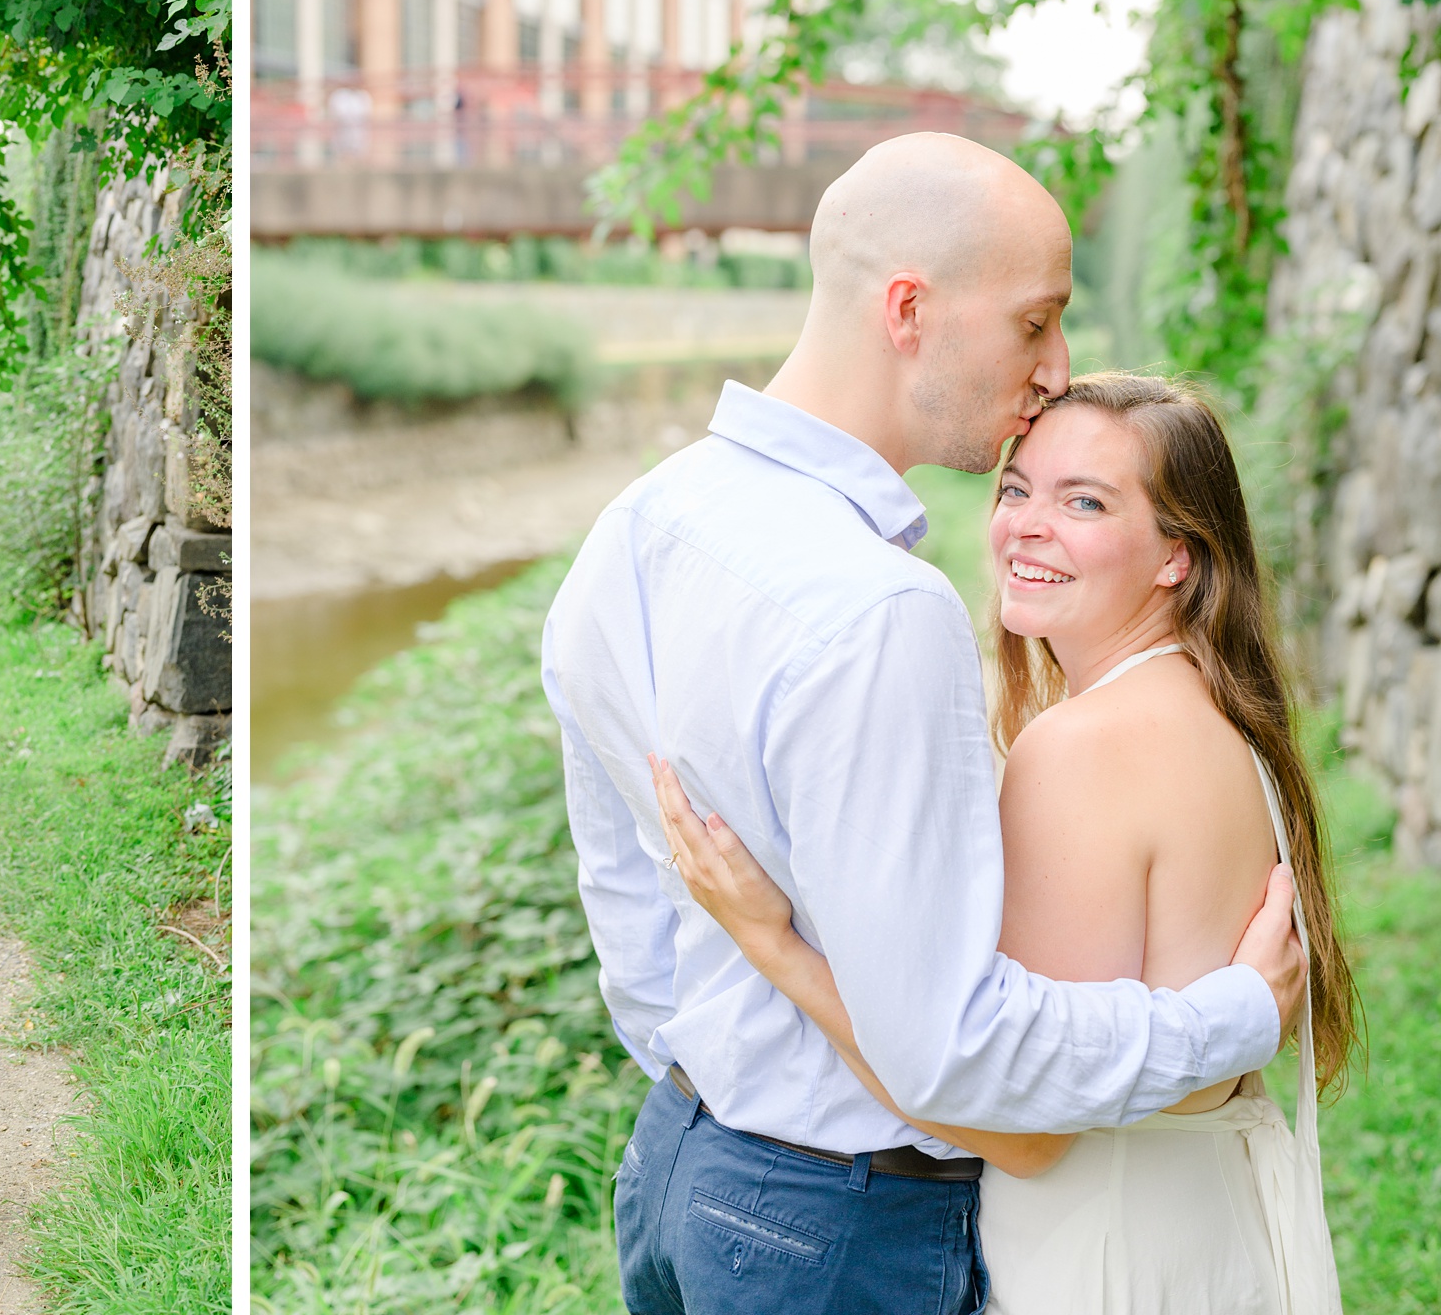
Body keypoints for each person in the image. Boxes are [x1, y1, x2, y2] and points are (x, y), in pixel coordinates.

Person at [540, 133, 1308, 1314]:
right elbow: (962, 1058)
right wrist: (1231, 1018)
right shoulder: (879, 609)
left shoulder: (639, 525)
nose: (1055, 366)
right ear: (910, 309)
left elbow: (631, 912)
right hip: (840, 1215)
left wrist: (722, 1054)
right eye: (1036, 321)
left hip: (679, 1161)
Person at [651, 373, 1348, 1312]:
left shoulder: (1084, 746)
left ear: (1177, 555)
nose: (1027, 523)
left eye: (1085, 502)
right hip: (1204, 1229)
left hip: (1103, 1255)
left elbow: (1019, 1128)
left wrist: (770, 940)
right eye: (1017, 489)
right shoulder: (1219, 712)